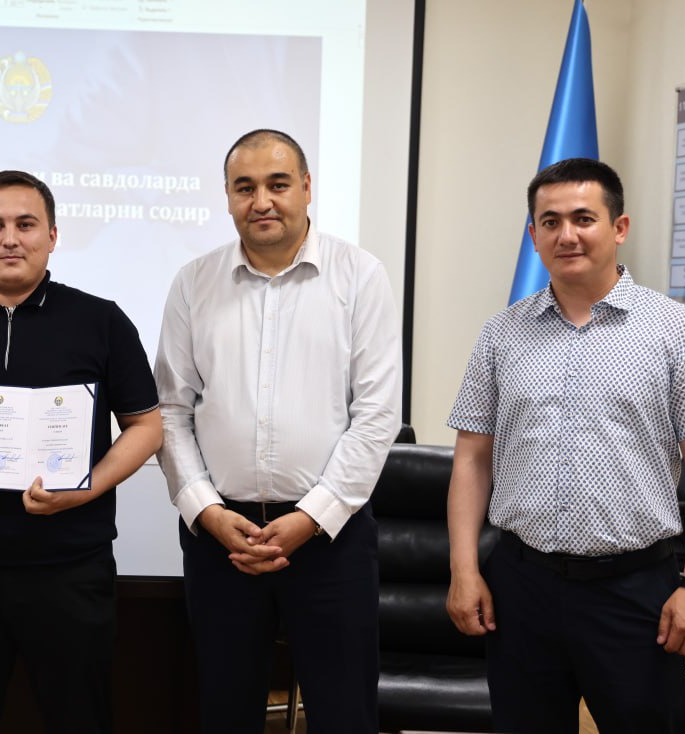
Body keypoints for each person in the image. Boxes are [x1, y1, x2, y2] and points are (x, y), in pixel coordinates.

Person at [445, 158, 685, 733]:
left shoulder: (678, 331)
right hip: (521, 589)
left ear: (619, 227)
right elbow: (472, 459)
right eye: (550, 222)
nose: (567, 235)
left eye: (584, 218)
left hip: (634, 592)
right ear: (533, 236)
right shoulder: (501, 334)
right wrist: (463, 570)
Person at [0, 170, 162, 734]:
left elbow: (146, 427)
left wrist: (84, 488)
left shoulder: (102, 321)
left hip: (70, 569)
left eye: (26, 224)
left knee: (80, 720)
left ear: (53, 236)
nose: (10, 238)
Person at [155, 128, 403, 733]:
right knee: (225, 711)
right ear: (228, 196)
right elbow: (170, 410)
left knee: (343, 714)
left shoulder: (359, 276)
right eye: (245, 187)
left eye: (278, 184)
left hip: (330, 540)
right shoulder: (193, 282)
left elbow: (377, 415)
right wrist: (206, 511)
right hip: (223, 540)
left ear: (307, 188)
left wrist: (310, 517)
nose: (261, 201)